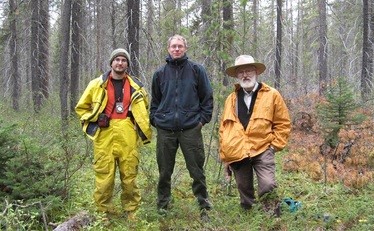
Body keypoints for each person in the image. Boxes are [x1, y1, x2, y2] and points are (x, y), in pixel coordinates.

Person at [75, 48, 152, 220]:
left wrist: (135, 121)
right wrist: (94, 119)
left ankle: (131, 210)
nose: (120, 63)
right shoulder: (96, 84)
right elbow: (81, 108)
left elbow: (145, 108)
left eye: (123, 60)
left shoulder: (136, 86)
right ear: (111, 63)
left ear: (127, 64)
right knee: (104, 175)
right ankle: (103, 212)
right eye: (117, 59)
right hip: (104, 134)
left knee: (130, 173)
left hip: (127, 132)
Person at [150, 35, 213, 220]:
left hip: (190, 129)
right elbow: (155, 101)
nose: (176, 49)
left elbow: (207, 98)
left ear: (185, 48)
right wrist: (156, 119)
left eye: (180, 46)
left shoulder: (196, 70)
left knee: (197, 171)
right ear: (168, 49)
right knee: (164, 171)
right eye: (173, 46)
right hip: (165, 130)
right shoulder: (160, 74)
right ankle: (163, 207)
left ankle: (204, 208)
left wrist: (201, 121)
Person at [219, 55, 291, 216]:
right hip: (238, 150)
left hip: (263, 148)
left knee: (267, 185)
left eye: (249, 70)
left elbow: (283, 123)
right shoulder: (231, 99)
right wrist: (225, 153)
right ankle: (249, 216)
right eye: (241, 71)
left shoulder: (272, 95)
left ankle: (272, 216)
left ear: (256, 72)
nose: (245, 75)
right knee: (244, 188)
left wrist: (274, 146)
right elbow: (224, 127)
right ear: (237, 76)